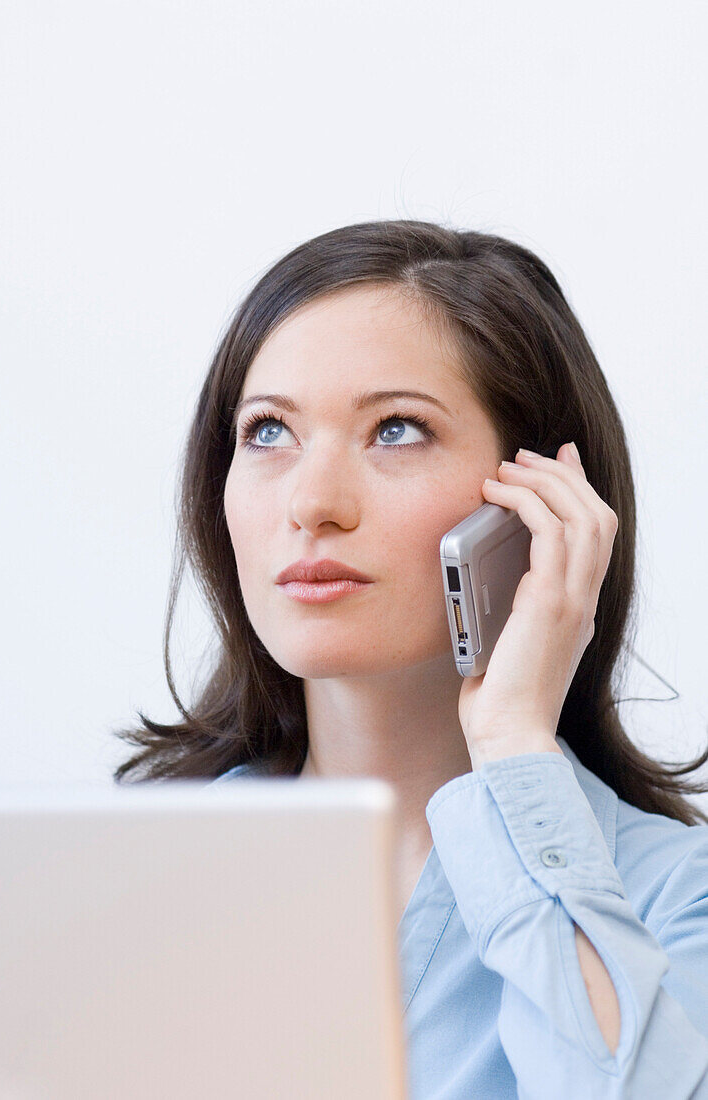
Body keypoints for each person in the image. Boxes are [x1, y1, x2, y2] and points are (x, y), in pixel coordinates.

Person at [113, 221, 708, 1097]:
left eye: (395, 429)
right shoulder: (129, 886)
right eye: (268, 431)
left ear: (536, 500)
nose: (312, 503)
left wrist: (510, 738)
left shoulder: (671, 899)